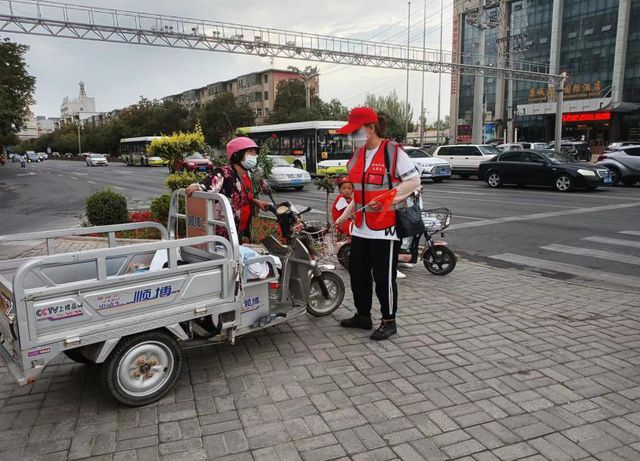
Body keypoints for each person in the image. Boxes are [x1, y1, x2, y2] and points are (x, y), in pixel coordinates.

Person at [334, 107, 420, 340]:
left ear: (370, 128)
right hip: (361, 226)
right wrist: (344, 216)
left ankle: (389, 321)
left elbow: (413, 181)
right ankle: (363, 316)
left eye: (355, 132)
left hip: (385, 228)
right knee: (358, 274)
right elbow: (359, 193)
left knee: (384, 278)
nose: (352, 137)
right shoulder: (357, 156)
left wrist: (387, 198)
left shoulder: (393, 151)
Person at [185, 137, 270, 240]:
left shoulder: (247, 174)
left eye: (255, 152)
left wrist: (256, 202)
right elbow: (206, 186)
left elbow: (242, 196)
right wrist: (195, 187)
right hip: (224, 233)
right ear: (237, 155)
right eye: (250, 152)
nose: (255, 155)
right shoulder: (224, 173)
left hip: (240, 229)